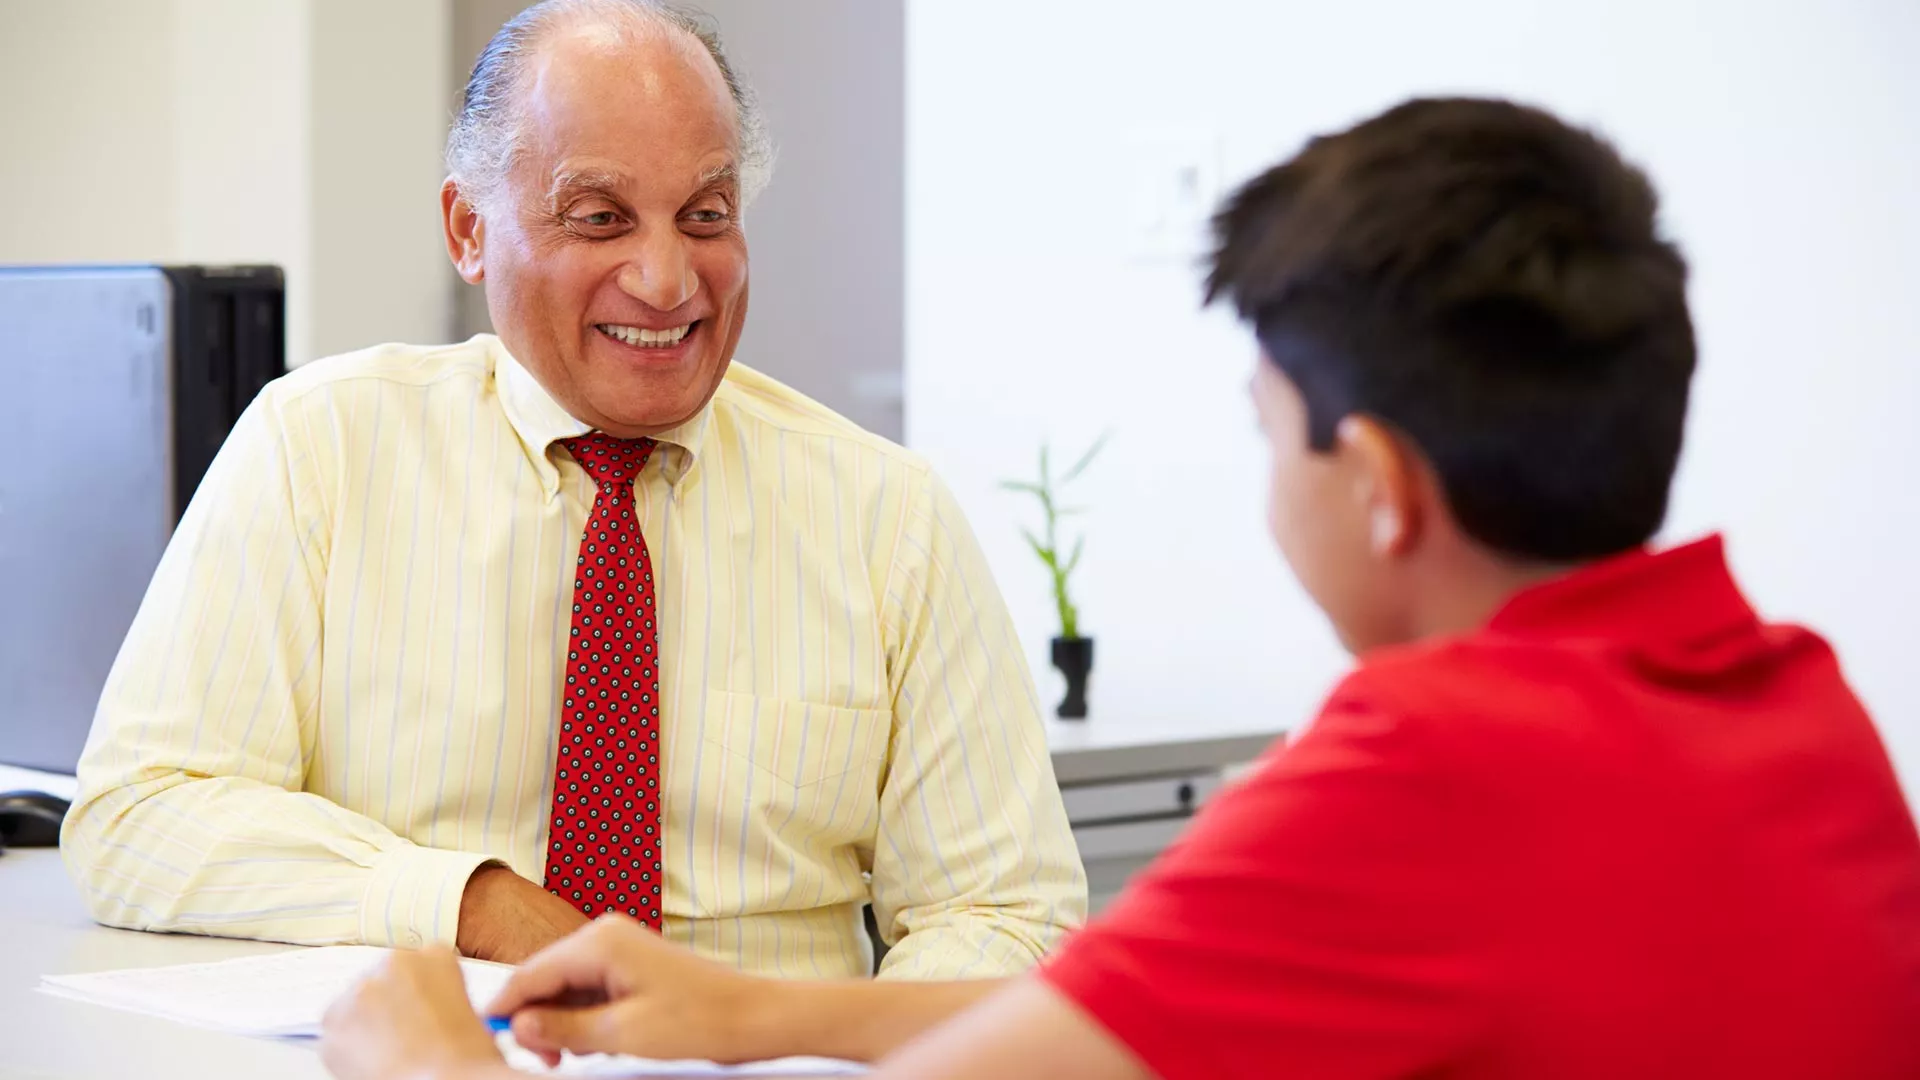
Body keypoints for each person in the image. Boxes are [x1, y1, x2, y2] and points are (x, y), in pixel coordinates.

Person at [319, 96, 1920, 1080]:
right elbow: (1122, 1017)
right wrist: (743, 1010)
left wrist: (437, 1068)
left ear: (1382, 490)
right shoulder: (1795, 703)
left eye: (1268, 436)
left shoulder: (1428, 775)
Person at [59, 0, 1085, 980]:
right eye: (600, 218)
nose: (668, 278)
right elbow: (139, 816)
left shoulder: (884, 516)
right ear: (468, 230)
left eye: (705, 216)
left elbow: (1006, 914)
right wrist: (474, 904)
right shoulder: (319, 450)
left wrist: (827, 1056)